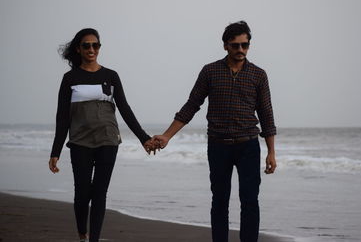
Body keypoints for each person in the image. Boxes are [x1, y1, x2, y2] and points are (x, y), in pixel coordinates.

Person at [153, 21, 276, 242]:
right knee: (219, 200)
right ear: (225, 46)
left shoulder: (258, 74)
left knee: (250, 200)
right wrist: (167, 135)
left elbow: (267, 115)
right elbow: (191, 105)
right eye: (235, 45)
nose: (240, 50)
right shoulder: (210, 71)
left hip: (248, 145)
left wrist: (271, 152)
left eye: (245, 45)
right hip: (218, 145)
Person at [48, 28, 157, 242]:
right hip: (80, 141)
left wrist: (144, 138)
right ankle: (82, 233)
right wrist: (55, 151)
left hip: (108, 140)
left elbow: (125, 109)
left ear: (99, 48)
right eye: (87, 45)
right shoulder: (70, 78)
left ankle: (94, 239)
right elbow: (62, 118)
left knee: (99, 193)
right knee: (82, 194)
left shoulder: (110, 76)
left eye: (95, 45)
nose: (91, 49)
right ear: (79, 49)